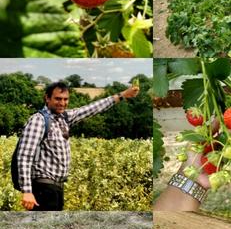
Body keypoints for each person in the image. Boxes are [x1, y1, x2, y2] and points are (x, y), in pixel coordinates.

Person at [17, 81, 139, 211]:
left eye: (65, 99)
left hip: (56, 188)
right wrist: (27, 191)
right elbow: (24, 155)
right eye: (58, 99)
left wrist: (123, 95)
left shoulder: (64, 118)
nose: (62, 103)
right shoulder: (38, 120)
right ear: (47, 98)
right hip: (43, 187)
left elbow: (92, 108)